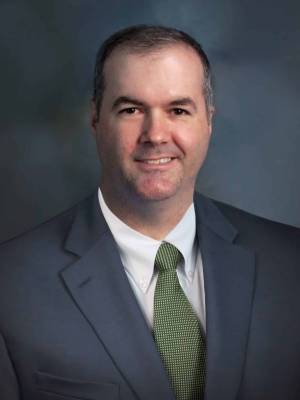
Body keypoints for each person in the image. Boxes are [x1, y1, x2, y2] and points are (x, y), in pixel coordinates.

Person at [0, 25, 299, 400]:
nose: (155, 134)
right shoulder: (9, 287)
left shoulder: (291, 265)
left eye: (177, 109)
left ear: (208, 120)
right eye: (131, 109)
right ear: (95, 120)